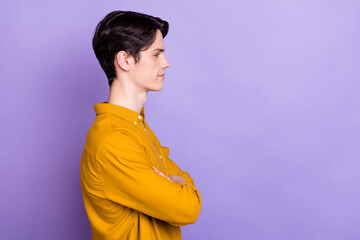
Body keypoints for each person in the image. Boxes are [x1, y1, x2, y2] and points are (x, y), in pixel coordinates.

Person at [80, 10, 202, 240]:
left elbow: (191, 200)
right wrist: (176, 182)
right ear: (125, 60)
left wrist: (176, 184)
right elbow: (188, 208)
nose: (166, 63)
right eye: (156, 54)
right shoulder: (114, 139)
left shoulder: (136, 126)